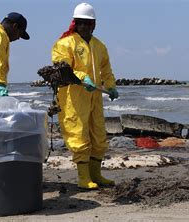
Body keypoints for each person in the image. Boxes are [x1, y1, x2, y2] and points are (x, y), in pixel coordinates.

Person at [51, 2, 119, 189]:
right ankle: (83, 178)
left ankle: (96, 175)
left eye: (88, 23)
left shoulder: (99, 46)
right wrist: (82, 78)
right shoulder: (64, 44)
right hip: (74, 97)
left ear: (93, 25)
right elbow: (63, 68)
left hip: (95, 96)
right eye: (81, 23)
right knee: (78, 133)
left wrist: (111, 86)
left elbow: (106, 70)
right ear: (76, 23)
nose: (85, 27)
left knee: (98, 133)